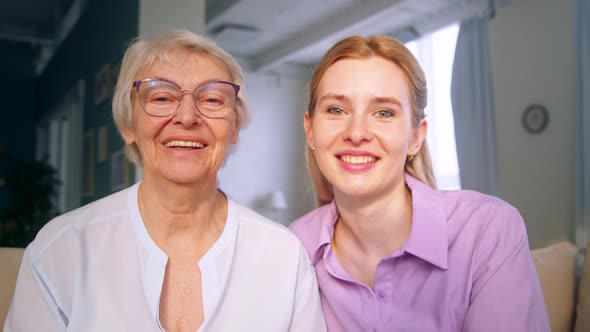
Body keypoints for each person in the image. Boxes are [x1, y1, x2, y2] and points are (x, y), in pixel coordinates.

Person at [5, 30, 326, 332]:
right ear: (128, 125)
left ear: (234, 127)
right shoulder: (61, 250)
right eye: (162, 98)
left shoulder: (284, 255)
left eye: (212, 99)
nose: (187, 117)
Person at [289, 35, 550, 332]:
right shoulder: (293, 247)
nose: (357, 132)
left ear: (416, 136)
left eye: (383, 112)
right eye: (336, 110)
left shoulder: (487, 230)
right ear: (310, 130)